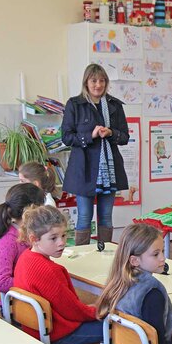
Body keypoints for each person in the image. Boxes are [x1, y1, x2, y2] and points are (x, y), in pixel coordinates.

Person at [14, 205, 102, 344]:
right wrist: (98, 310)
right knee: (122, 330)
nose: (61, 242)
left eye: (63, 235)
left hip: (38, 330)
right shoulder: (50, 270)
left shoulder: (25, 258)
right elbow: (74, 311)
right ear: (34, 239)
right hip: (58, 334)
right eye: (53, 238)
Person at [61, 63, 129, 246]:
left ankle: (104, 254)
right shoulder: (75, 104)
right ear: (86, 82)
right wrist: (90, 135)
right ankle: (82, 257)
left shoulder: (114, 105)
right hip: (84, 169)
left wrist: (111, 133)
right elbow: (66, 137)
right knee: (84, 216)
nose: (98, 85)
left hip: (110, 171)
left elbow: (124, 137)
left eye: (102, 81)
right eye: (94, 81)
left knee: (106, 216)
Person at [0, 183, 45, 294]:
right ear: (30, 210)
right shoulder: (8, 241)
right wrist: (34, 282)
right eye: (42, 208)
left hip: (31, 297)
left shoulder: (29, 233)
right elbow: (1, 283)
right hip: (20, 301)